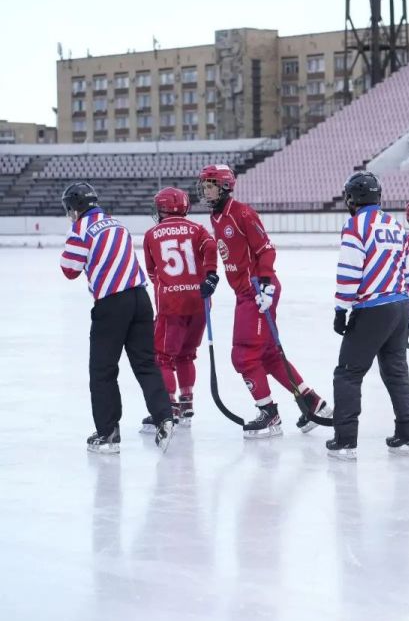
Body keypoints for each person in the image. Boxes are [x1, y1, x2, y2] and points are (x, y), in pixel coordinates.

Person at [198, 164, 332, 438]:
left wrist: (267, 284)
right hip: (244, 292)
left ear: (224, 186)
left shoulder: (241, 213)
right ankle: (313, 403)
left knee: (243, 356)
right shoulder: (216, 217)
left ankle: (269, 414)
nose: (205, 191)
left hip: (257, 291)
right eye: (204, 186)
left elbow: (265, 249)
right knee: (269, 356)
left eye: (210, 185)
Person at [59, 182, 175, 453]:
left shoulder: (81, 228)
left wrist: (74, 238)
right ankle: (165, 417)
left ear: (75, 207)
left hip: (111, 303)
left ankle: (108, 433)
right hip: (140, 299)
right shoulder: (116, 223)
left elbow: (69, 269)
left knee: (103, 370)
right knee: (146, 363)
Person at [326, 172, 409, 459]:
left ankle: (345, 440)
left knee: (348, 374)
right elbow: (407, 271)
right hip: (400, 305)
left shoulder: (355, 226)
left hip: (372, 308)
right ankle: (408, 432)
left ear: (352, 198)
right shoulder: (394, 225)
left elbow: (349, 273)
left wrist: (341, 309)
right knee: (396, 372)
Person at [140, 187, 219, 433]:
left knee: (162, 357)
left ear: (162, 208)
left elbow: (152, 272)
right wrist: (210, 274)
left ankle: (168, 408)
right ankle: (187, 403)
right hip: (199, 303)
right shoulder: (197, 229)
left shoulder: (152, 234)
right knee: (187, 354)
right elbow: (211, 247)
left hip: (171, 305)